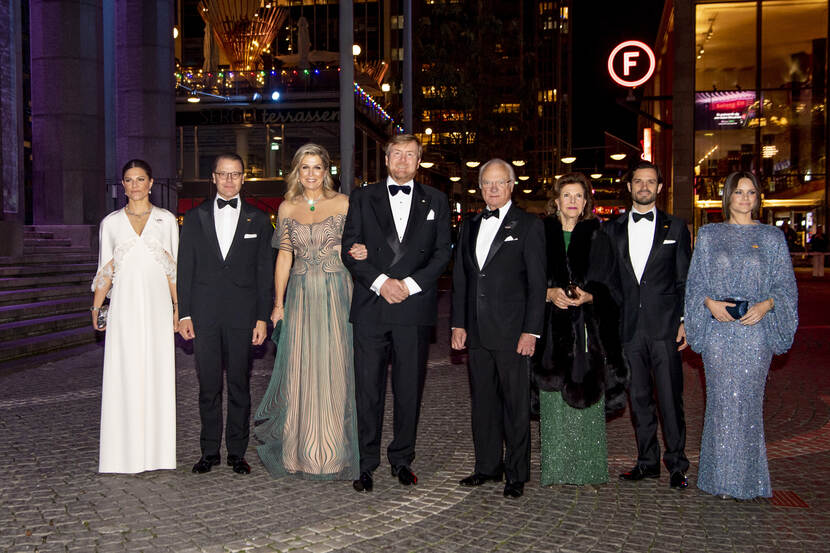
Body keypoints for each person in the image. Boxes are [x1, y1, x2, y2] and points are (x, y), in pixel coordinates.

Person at [341, 134, 452, 492]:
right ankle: (366, 463)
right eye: (397, 154)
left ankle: (402, 459)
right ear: (386, 159)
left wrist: (409, 286)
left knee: (408, 390)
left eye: (411, 155)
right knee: (367, 390)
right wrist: (381, 282)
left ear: (419, 162)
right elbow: (349, 248)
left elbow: (441, 254)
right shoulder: (362, 197)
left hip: (414, 306)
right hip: (372, 307)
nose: (403, 161)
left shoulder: (436, 200)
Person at [253, 144, 365, 480]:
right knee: (301, 370)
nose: (312, 174)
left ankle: (332, 454)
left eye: (317, 167)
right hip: (301, 297)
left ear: (327, 171)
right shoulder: (287, 208)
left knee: (335, 369)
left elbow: (359, 244)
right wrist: (278, 304)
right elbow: (284, 258)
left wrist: (361, 251)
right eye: (305, 168)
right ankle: (298, 453)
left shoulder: (344, 203)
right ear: (296, 172)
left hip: (337, 294)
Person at [685, 171, 798, 500]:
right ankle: (717, 479)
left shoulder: (772, 238)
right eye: (739, 192)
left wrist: (766, 305)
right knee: (720, 403)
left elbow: (784, 287)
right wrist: (708, 304)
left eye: (751, 192)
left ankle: (749, 481)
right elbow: (696, 282)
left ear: (757, 198)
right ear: (728, 197)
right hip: (719, 331)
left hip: (754, 332)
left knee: (747, 405)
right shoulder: (709, 235)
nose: (745, 198)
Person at [450, 158, 546, 498]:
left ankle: (516, 473)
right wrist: (458, 323)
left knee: (516, 406)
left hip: (512, 333)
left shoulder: (529, 225)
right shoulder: (470, 225)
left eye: (499, 183)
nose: (492, 189)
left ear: (511, 186)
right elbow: (462, 278)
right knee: (483, 405)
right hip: (476, 332)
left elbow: (537, 285)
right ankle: (486, 467)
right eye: (486, 183)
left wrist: (531, 331)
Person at [177, 153, 274, 475]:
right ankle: (208, 452)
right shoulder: (194, 217)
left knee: (239, 385)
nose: (229, 180)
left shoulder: (260, 220)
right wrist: (185, 313)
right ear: (214, 178)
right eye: (223, 174)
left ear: (244, 178)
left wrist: (262, 317)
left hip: (242, 317)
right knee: (207, 386)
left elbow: (264, 273)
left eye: (235, 175)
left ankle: (236, 452)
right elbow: (185, 269)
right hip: (203, 315)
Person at [603, 160, 692, 490]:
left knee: (671, 398)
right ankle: (647, 462)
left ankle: (677, 464)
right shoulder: (610, 230)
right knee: (638, 398)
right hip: (629, 330)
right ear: (629, 187)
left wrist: (685, 320)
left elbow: (685, 280)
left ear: (659, 187)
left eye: (650, 182)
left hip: (665, 328)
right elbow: (608, 282)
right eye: (638, 181)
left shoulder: (677, 228)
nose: (643, 187)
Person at [533, 173, 626, 486]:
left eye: (578, 196)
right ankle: (556, 469)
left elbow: (614, 283)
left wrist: (591, 295)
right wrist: (548, 294)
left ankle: (588, 468)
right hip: (549, 327)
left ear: (586, 202)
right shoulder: (541, 233)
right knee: (552, 395)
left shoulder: (599, 235)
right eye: (567, 195)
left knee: (586, 389)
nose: (572, 201)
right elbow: (526, 278)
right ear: (556, 200)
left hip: (587, 329)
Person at [92, 159, 179, 474]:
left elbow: (174, 271)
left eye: (140, 179)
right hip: (124, 308)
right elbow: (106, 269)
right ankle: (120, 454)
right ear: (122, 185)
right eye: (128, 180)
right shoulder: (111, 223)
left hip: (157, 308)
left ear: (151, 183)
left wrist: (178, 309)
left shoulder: (166, 221)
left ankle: (157, 453)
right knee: (124, 373)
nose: (135, 185)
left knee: (156, 373)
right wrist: (97, 306)